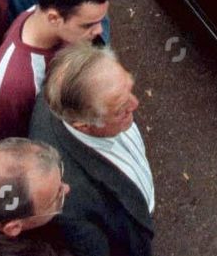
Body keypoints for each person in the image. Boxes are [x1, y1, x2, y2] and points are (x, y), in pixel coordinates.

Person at [30, 44, 153, 256]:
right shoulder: (70, 201)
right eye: (120, 110)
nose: (135, 104)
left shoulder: (68, 91)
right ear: (83, 125)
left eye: (129, 89)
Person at [0, 0, 113, 141]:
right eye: (88, 25)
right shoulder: (12, 88)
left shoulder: (42, 14)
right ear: (54, 18)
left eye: (101, 20)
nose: (100, 30)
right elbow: (12, 149)